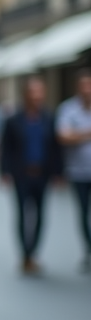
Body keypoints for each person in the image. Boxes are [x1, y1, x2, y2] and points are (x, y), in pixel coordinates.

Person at [0, 76, 64, 276]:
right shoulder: (13, 120)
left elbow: (55, 148)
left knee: (40, 215)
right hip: (21, 174)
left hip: (42, 174)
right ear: (25, 95)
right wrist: (4, 172)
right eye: (33, 92)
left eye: (40, 92)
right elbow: (6, 148)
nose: (37, 96)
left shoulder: (49, 118)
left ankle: (33, 251)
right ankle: (25, 254)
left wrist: (58, 173)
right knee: (22, 214)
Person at [56, 68, 91, 272]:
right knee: (83, 212)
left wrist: (77, 135)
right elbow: (64, 136)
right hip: (78, 172)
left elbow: (71, 135)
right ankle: (88, 248)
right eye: (83, 85)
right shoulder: (68, 109)